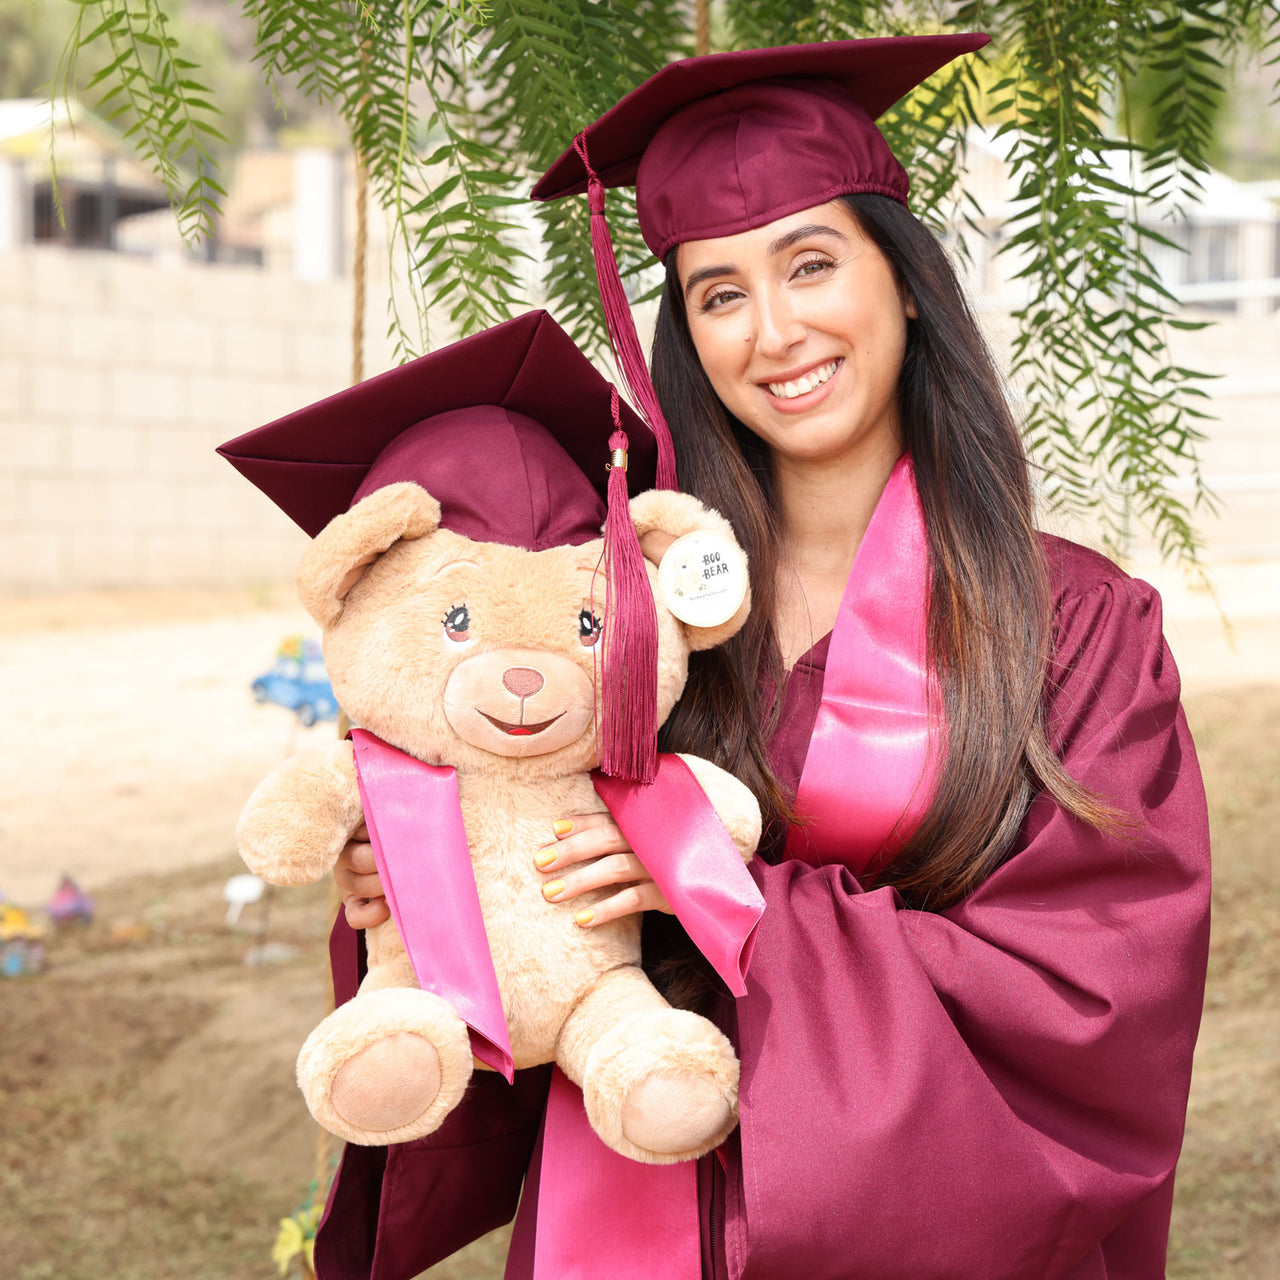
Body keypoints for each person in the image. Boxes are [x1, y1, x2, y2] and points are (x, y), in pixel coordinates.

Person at [324, 33, 1210, 1280]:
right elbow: (519, 883)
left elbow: (1096, 990)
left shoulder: (1073, 624)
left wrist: (723, 894)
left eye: (810, 264)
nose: (775, 330)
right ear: (684, 332)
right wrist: (422, 875)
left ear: (905, 281)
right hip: (624, 1183)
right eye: (719, 293)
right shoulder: (614, 605)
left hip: (917, 1218)